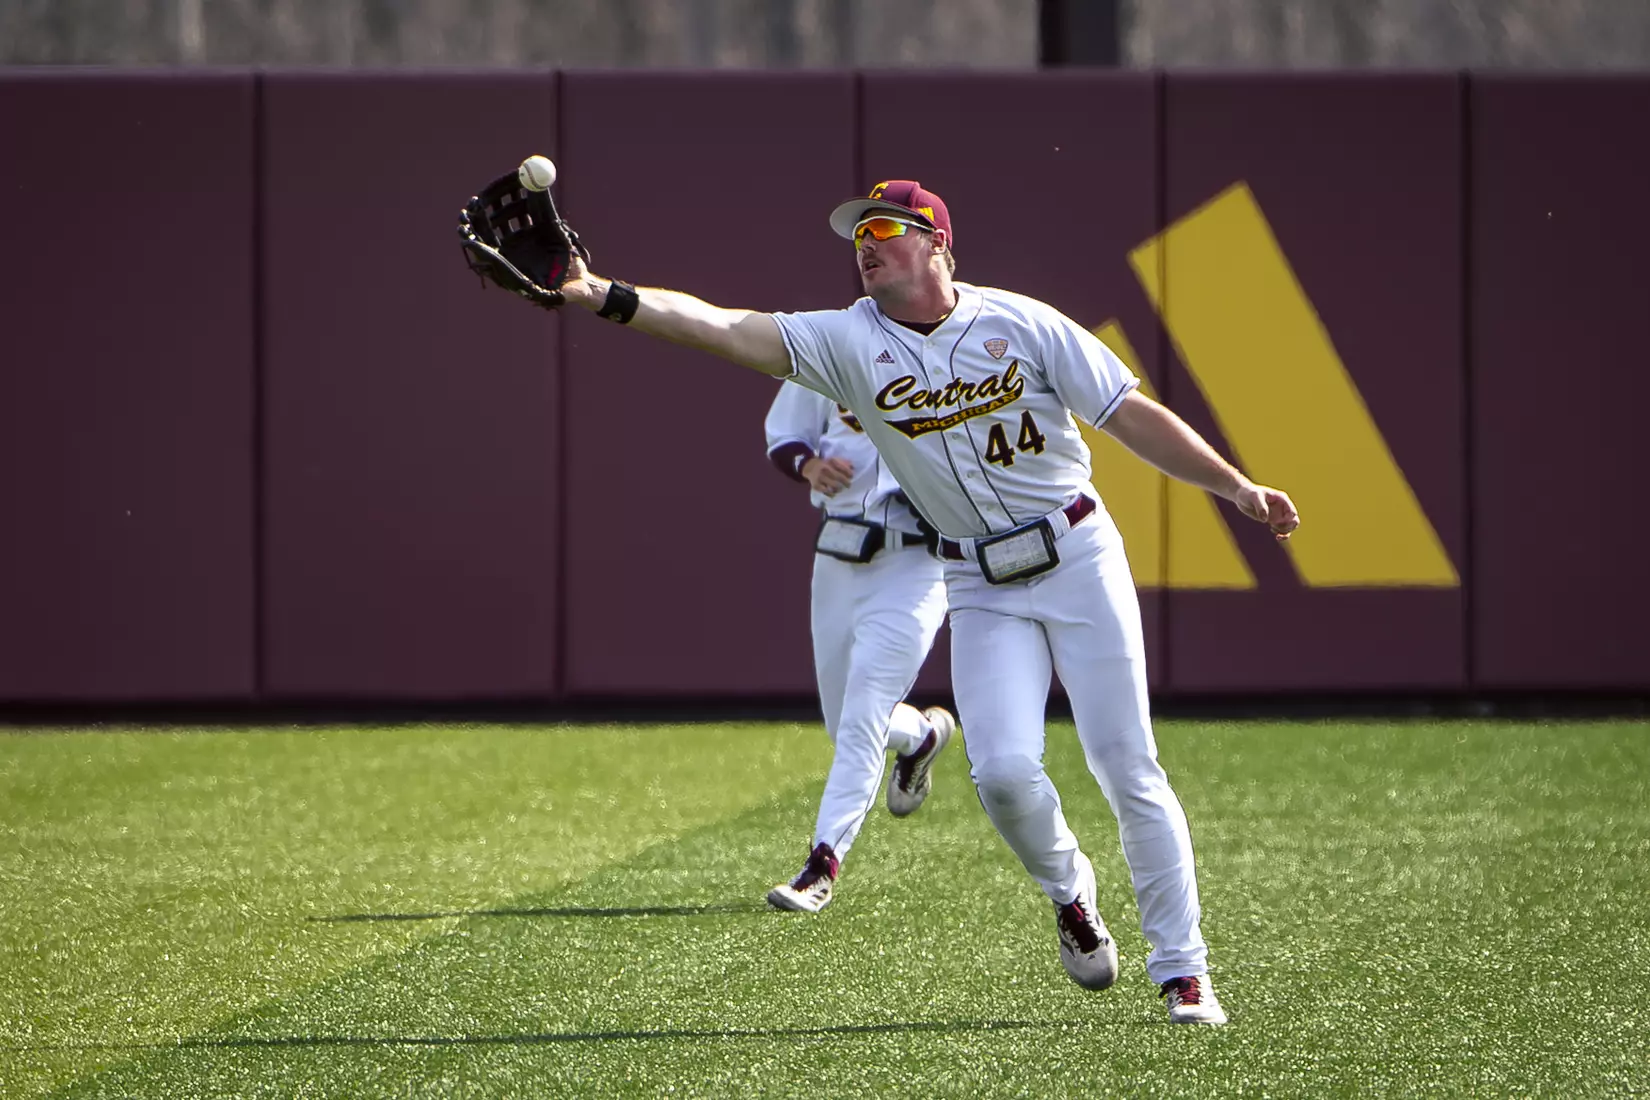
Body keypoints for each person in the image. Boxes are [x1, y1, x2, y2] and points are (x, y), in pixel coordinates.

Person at [548, 179, 1300, 1026]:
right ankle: (1070, 890)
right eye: (855, 236)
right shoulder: (844, 340)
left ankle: (1183, 970)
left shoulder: (1023, 322)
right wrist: (602, 295)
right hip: (977, 579)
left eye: (882, 230)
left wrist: (1235, 488)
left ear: (939, 245)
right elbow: (721, 326)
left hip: (1078, 552)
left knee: (1128, 765)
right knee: (1007, 775)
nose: (863, 245)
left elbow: (1130, 415)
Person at [761, 381, 952, 913]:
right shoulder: (833, 349)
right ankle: (922, 734)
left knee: (864, 712)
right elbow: (784, 434)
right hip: (841, 550)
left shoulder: (958, 358)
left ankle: (822, 864)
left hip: (918, 564)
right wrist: (807, 465)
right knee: (841, 721)